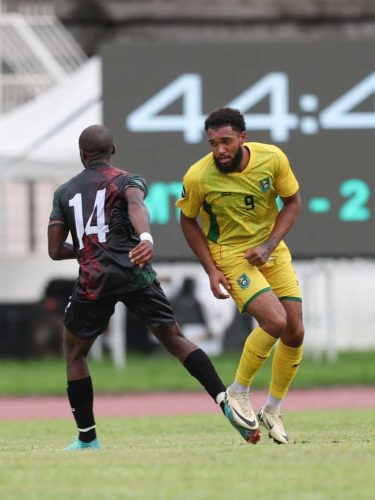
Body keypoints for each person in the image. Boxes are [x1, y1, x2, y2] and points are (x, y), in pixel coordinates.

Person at [47, 124, 260, 451]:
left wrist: (89, 249)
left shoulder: (64, 192)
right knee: (174, 338)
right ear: (113, 151)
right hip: (134, 270)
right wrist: (145, 237)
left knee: (75, 353)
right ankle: (224, 400)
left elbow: (54, 249)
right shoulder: (127, 179)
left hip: (95, 280)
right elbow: (136, 205)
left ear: (82, 155)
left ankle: (87, 438)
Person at [176, 108, 304, 444]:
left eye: (226, 141)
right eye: (213, 143)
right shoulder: (198, 176)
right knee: (275, 322)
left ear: (243, 138)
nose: (219, 149)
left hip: (270, 251)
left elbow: (292, 202)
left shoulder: (272, 158)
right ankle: (237, 391)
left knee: (295, 332)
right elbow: (188, 221)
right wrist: (211, 269)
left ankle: (272, 410)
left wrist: (270, 244)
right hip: (231, 256)